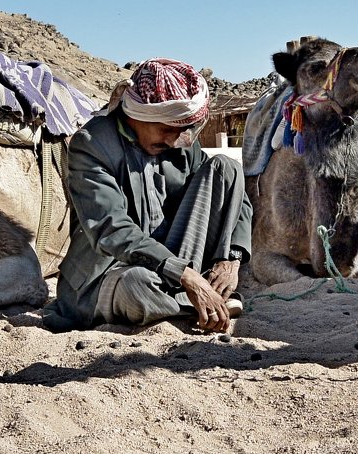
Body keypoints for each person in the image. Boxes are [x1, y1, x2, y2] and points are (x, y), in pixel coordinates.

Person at [44, 58, 251, 333]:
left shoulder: (177, 137)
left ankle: (193, 298)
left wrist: (231, 260)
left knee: (227, 169)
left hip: (176, 263)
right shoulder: (92, 145)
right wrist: (184, 274)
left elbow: (236, 200)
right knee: (137, 287)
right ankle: (197, 303)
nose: (174, 140)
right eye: (166, 130)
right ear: (137, 116)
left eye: (182, 131)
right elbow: (110, 227)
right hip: (112, 270)